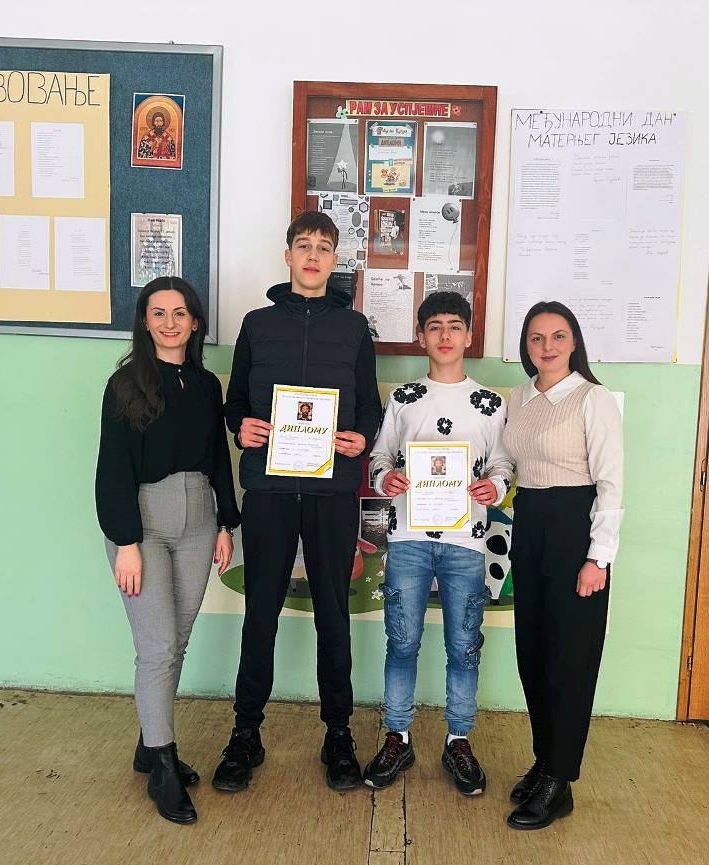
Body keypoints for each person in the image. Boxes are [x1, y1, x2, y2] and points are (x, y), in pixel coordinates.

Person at [213, 211, 382, 793]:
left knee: (334, 613)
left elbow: (369, 406)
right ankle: (245, 733)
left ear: (334, 260)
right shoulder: (257, 325)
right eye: (304, 245)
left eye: (324, 247)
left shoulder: (355, 328)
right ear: (287, 255)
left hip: (333, 491)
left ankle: (339, 734)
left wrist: (362, 437)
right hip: (269, 489)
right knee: (260, 612)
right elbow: (235, 402)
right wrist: (242, 427)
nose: (313, 256)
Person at [95, 276, 239, 825]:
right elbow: (113, 468)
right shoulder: (125, 384)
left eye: (180, 313)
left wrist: (225, 523)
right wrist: (126, 543)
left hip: (199, 518)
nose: (170, 322)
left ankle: (147, 742)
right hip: (144, 523)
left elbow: (218, 456)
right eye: (158, 313)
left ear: (195, 322)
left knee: (176, 641)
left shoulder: (205, 385)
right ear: (145, 321)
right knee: (156, 648)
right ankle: (162, 765)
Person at [363, 291, 512, 794]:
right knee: (402, 641)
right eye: (434, 326)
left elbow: (503, 462)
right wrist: (386, 479)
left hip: (466, 542)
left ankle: (458, 740)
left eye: (454, 326)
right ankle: (398, 736)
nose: (445, 335)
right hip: (408, 538)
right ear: (421, 336)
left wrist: (496, 486)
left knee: (464, 646)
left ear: (469, 336)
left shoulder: (490, 404)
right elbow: (380, 456)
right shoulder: (404, 398)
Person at [503, 300, 623, 830]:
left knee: (569, 659)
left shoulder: (593, 399)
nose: (546, 346)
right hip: (529, 525)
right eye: (536, 337)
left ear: (574, 342)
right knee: (532, 652)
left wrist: (598, 558)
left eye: (557, 336)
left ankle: (561, 780)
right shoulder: (520, 397)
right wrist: (493, 481)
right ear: (526, 346)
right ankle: (544, 759)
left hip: (575, 532)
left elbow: (611, 485)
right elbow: (509, 460)